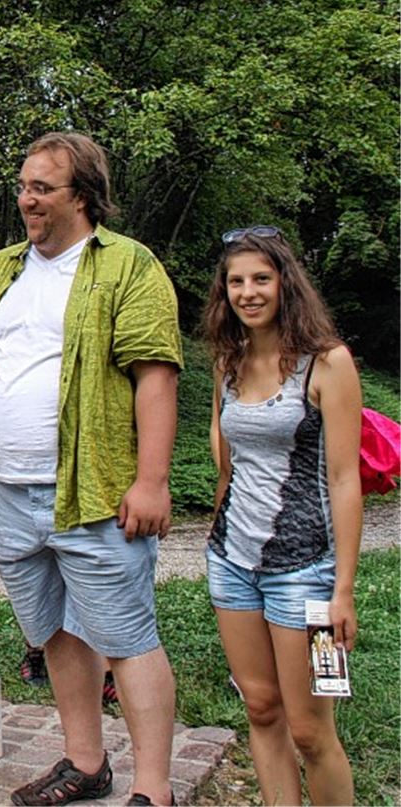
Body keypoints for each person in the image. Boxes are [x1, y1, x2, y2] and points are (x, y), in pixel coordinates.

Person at [0, 132, 182, 807]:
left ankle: (155, 791)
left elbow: (156, 376)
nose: (26, 198)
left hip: (95, 491)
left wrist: (152, 480)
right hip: (10, 490)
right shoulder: (2, 268)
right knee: (51, 628)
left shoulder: (127, 266)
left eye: (42, 188)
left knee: (127, 635)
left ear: (82, 195)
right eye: (23, 186)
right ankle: (85, 762)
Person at [202, 226, 360, 806]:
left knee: (311, 730)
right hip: (232, 566)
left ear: (285, 284)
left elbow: (345, 481)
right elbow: (227, 470)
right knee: (261, 709)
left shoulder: (328, 363)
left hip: (308, 574)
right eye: (236, 281)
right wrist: (216, 542)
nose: (248, 292)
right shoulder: (229, 362)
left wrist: (342, 589)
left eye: (261, 279)